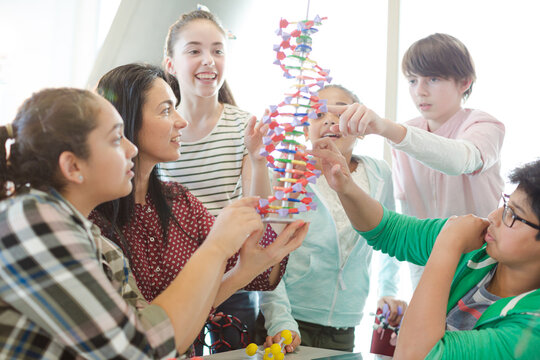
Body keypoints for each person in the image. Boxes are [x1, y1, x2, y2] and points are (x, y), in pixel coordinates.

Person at [0, 88, 303, 358]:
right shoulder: (31, 219)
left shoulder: (92, 237)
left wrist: (243, 265)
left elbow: (164, 332)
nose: (130, 149)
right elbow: (139, 349)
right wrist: (216, 247)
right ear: (72, 165)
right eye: (116, 139)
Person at [91, 63, 306, 352]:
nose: (182, 121)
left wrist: (259, 163)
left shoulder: (179, 202)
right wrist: (239, 263)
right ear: (124, 120)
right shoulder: (90, 218)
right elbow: (142, 336)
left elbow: (258, 269)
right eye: (166, 110)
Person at [310, 137, 540, 359]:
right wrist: (345, 185)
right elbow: (388, 230)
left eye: (514, 215)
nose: (493, 217)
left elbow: (415, 356)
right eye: (505, 204)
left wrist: (449, 244)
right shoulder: (481, 247)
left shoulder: (533, 328)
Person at [327, 33, 505, 287]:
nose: (420, 91)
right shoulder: (405, 135)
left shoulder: (484, 125)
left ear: (464, 82)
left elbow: (460, 160)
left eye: (433, 79)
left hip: (484, 265)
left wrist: (389, 129)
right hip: (432, 266)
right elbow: (409, 216)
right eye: (412, 80)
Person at [259, 85, 407, 353]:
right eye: (318, 114)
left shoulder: (380, 174)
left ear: (361, 127)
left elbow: (391, 240)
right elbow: (266, 257)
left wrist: (388, 291)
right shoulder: (286, 174)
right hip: (288, 323)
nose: (329, 119)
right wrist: (280, 321)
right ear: (305, 130)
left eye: (340, 112)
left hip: (345, 324)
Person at [159, 9, 265, 351]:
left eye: (218, 50)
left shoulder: (243, 124)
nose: (209, 61)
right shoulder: (159, 128)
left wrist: (259, 159)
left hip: (233, 279)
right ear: (171, 64)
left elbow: (258, 210)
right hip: (172, 278)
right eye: (194, 50)